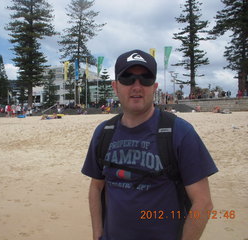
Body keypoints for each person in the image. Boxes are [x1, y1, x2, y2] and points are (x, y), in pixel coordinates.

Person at [81, 49, 218, 240]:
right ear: (115, 86)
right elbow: (96, 187)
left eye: (145, 78)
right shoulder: (103, 133)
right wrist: (97, 235)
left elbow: (203, 203)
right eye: (127, 78)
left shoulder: (180, 132)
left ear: (154, 87)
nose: (137, 86)